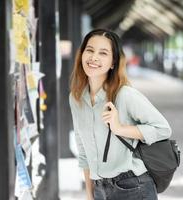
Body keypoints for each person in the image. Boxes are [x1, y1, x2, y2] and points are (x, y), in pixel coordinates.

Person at [69, 28, 172, 200]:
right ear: (81, 55)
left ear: (113, 62)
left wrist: (119, 128)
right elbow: (83, 152)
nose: (94, 57)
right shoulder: (76, 98)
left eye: (103, 53)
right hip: (99, 189)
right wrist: (89, 194)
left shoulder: (124, 95)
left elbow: (163, 129)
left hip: (132, 186)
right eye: (90, 50)